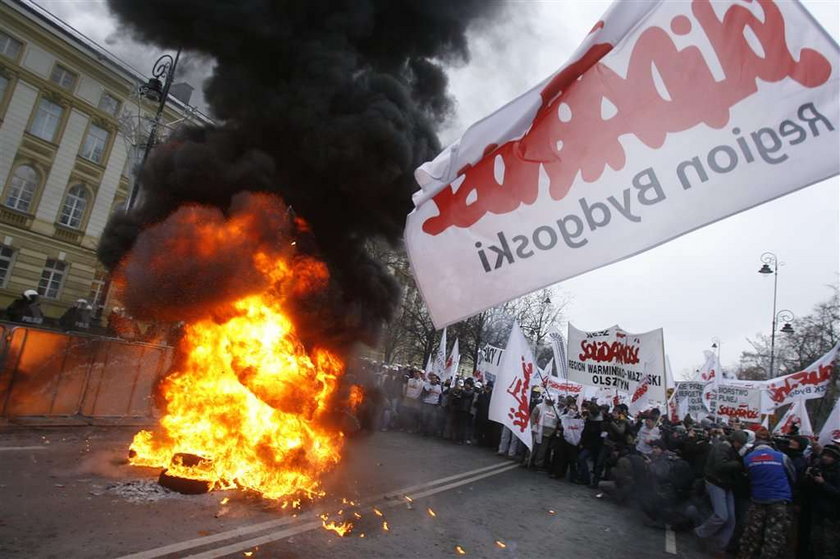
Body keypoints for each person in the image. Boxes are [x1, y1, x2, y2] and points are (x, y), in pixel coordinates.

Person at [738, 427, 795, 559]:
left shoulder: (748, 458)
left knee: (752, 533)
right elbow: (792, 477)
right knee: (774, 537)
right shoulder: (782, 457)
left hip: (758, 498)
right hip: (780, 500)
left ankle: (745, 555)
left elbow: (746, 478)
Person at [694, 429, 747, 553]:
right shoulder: (723, 447)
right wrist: (738, 464)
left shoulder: (732, 449)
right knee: (721, 515)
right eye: (739, 443)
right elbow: (720, 466)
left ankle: (719, 546)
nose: (740, 446)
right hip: (716, 482)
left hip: (726, 485)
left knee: (731, 520)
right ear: (735, 441)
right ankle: (700, 532)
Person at [804, 443, 840, 557]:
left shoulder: (837, 472)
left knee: (829, 545)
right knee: (816, 542)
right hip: (817, 511)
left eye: (829, 456)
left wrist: (823, 483)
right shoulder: (818, 467)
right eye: (824, 455)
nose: (825, 458)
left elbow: (836, 492)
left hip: (832, 514)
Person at [402, 369, 424, 433]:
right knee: (405, 414)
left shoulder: (422, 382)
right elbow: (406, 388)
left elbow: (420, 391)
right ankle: (404, 427)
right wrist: (405, 395)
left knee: (412, 415)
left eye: (418, 373)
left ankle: (410, 428)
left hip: (415, 399)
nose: (416, 374)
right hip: (407, 398)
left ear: (420, 374)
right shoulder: (410, 380)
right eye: (415, 373)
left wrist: (417, 398)